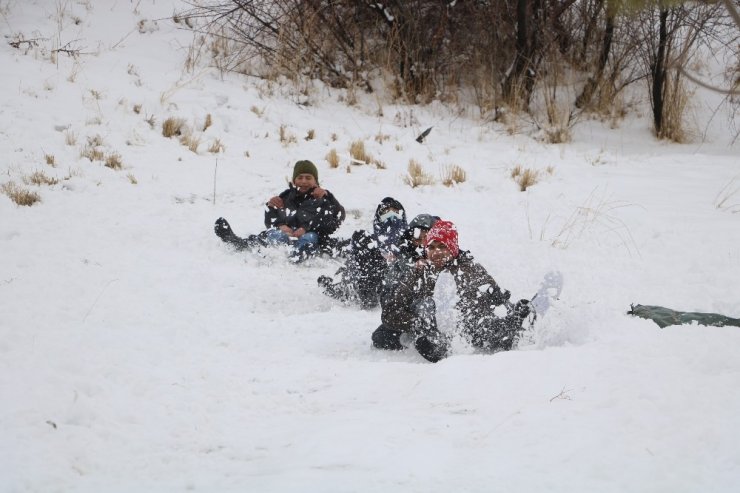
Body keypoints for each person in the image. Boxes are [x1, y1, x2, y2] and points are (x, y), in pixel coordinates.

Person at [371, 219, 531, 362]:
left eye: (442, 246)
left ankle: (513, 325)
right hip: (425, 323)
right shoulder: (420, 270)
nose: (436, 252)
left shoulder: (469, 269)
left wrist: (494, 297)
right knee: (383, 335)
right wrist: (418, 324)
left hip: (463, 324)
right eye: (431, 247)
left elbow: (487, 298)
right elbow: (390, 311)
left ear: (453, 248)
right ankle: (431, 342)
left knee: (479, 327)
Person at [214, 160, 345, 262]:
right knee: (273, 235)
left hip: (311, 238)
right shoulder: (286, 196)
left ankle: (299, 256)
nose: (303, 181)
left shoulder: (322, 198)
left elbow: (337, 216)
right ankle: (236, 242)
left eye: (308, 178)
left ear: (315, 180)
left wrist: (306, 228)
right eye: (300, 177)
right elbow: (270, 216)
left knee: (309, 238)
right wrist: (279, 223)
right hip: (286, 236)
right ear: (294, 180)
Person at [317, 197, 409, 308]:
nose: (391, 216)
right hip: (369, 278)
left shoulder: (410, 238)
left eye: (395, 212)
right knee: (361, 240)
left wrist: (397, 255)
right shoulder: (369, 239)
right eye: (386, 213)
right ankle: (357, 292)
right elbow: (347, 247)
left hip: (398, 281)